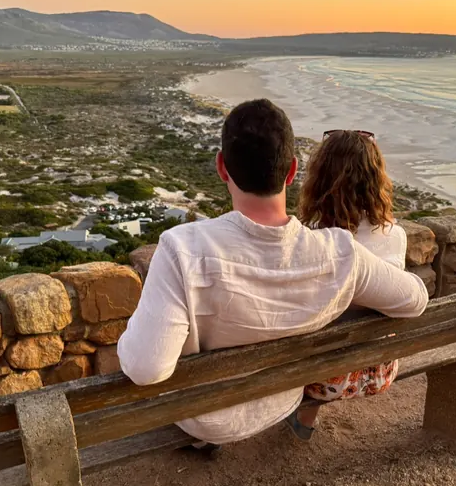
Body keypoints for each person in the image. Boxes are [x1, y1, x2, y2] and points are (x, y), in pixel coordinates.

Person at [117, 100, 429, 447]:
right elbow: (415, 301)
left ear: (222, 167)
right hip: (283, 397)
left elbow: (146, 368)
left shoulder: (181, 250)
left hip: (205, 419)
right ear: (292, 170)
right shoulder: (340, 253)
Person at [289, 130, 408, 440]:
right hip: (379, 372)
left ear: (320, 180)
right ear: (375, 179)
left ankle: (303, 420)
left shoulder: (309, 239)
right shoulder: (394, 235)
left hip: (323, 380)